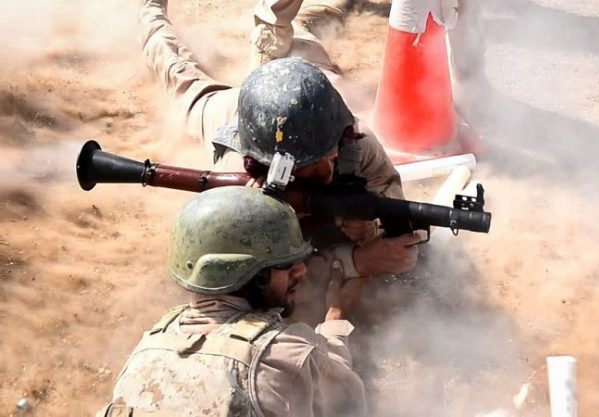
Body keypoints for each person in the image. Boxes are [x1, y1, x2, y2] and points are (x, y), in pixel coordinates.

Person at [139, 0, 422, 324]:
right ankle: (150, 10)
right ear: (268, 166)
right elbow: (252, 280)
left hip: (298, 84)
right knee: (179, 75)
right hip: (241, 109)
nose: (330, 161)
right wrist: (354, 260)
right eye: (307, 164)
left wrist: (368, 229)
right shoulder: (234, 174)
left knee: (298, 41)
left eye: (329, 150)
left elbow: (392, 214)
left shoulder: (352, 141)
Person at [97, 186, 367, 417]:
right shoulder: (285, 354)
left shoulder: (146, 349)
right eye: (285, 264)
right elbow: (349, 401)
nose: (301, 271)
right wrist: (335, 319)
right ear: (249, 275)